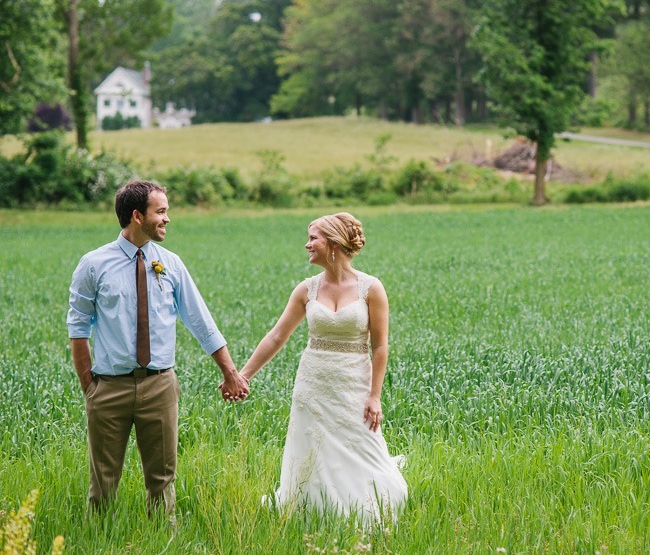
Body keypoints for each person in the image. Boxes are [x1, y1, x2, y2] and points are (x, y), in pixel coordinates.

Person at [67, 180, 249, 515]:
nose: (167, 219)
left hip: (160, 386)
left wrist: (230, 372)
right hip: (109, 389)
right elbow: (78, 328)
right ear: (137, 216)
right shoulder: (94, 265)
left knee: (162, 482)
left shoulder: (172, 264)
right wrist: (89, 387)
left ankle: (162, 543)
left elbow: (200, 321)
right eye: (161, 211)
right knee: (103, 485)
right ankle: (100, 542)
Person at [239, 212, 406, 523]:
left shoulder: (371, 288)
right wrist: (243, 375)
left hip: (354, 383)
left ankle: (365, 510)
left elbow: (380, 346)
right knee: (314, 449)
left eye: (313, 238)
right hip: (313, 383)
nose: (307, 245)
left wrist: (375, 396)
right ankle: (317, 511)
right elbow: (277, 336)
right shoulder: (307, 289)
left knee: (363, 447)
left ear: (333, 243)